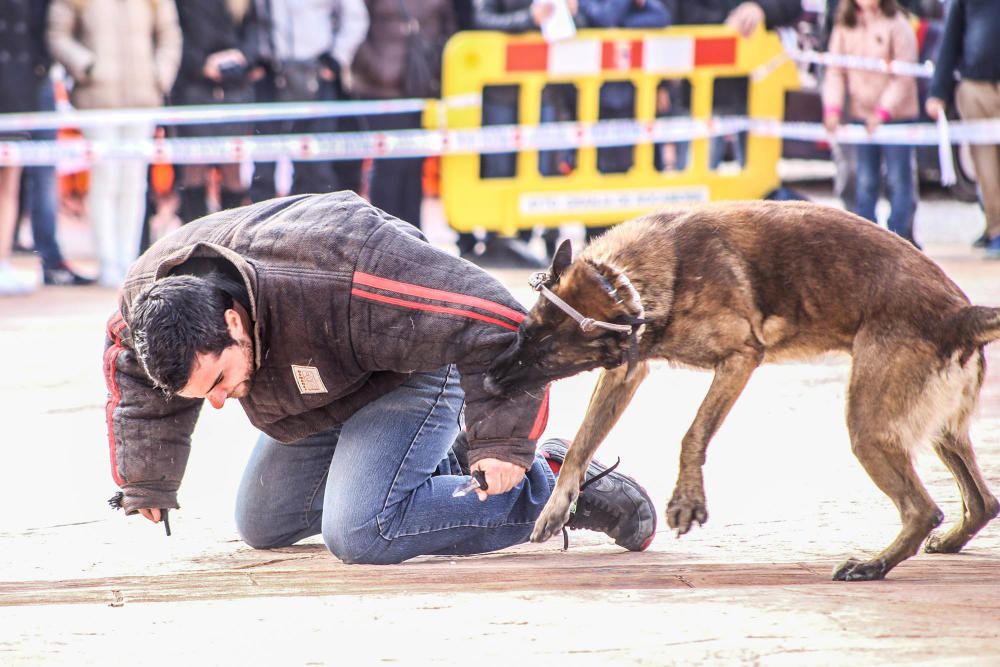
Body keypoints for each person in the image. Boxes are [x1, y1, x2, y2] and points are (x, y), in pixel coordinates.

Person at [104, 191, 657, 563]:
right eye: (206, 395)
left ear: (232, 320)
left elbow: (499, 322)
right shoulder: (153, 299)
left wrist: (505, 441)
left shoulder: (345, 270)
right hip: (321, 390)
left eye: (220, 380)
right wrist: (147, 479)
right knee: (263, 523)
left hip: (410, 370)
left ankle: (557, 485)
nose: (220, 402)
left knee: (364, 530)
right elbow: (132, 372)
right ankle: (446, 463)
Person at [47, 0, 182, 288]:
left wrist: (160, 74)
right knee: (105, 180)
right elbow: (57, 35)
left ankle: (129, 261)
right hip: (97, 100)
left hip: (143, 99)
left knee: (134, 183)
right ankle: (108, 261)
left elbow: (170, 34)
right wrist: (87, 66)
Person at [244, 0, 369, 203]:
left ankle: (319, 229)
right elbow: (253, 21)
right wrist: (256, 56)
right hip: (273, 74)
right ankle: (263, 230)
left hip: (317, 73)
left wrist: (337, 59)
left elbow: (355, 18)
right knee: (264, 169)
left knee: (316, 167)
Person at [8, 0, 95, 287]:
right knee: (12, 180)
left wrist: (44, 64)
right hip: (15, 80)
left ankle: (50, 259)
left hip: (36, 80)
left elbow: (56, 26)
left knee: (43, 175)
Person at [822, 0, 920, 247]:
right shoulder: (844, 25)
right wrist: (832, 108)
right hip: (861, 117)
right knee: (864, 180)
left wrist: (883, 112)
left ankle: (901, 240)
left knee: (899, 179)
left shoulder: (897, 24)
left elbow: (903, 74)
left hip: (896, 117)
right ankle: (865, 241)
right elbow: (835, 71)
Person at [352, 0, 456, 231]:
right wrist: (377, 68)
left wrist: (435, 69)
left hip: (421, 86)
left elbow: (449, 28)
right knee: (389, 165)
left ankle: (412, 235)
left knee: (413, 166)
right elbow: (353, 25)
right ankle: (383, 233)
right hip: (379, 90)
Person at [664, 0, 802, 170]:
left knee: (756, 186)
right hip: (699, 94)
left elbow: (792, 6)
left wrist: (760, 8)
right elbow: (665, 15)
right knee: (695, 184)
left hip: (755, 94)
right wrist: (724, 26)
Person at [579, 0, 671, 243]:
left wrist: (618, 27)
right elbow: (602, 18)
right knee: (599, 185)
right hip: (599, 105)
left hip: (637, 104)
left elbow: (660, 17)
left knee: (640, 182)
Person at [171, 0, 258, 222]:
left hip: (235, 88)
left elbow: (255, 31)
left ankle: (229, 241)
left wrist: (241, 58)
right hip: (194, 88)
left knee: (233, 169)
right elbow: (174, 34)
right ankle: (192, 243)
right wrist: (201, 65)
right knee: (194, 169)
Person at [925, 0, 1000, 257]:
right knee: (985, 167)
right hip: (976, 86)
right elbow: (950, 40)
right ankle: (996, 229)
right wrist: (938, 92)